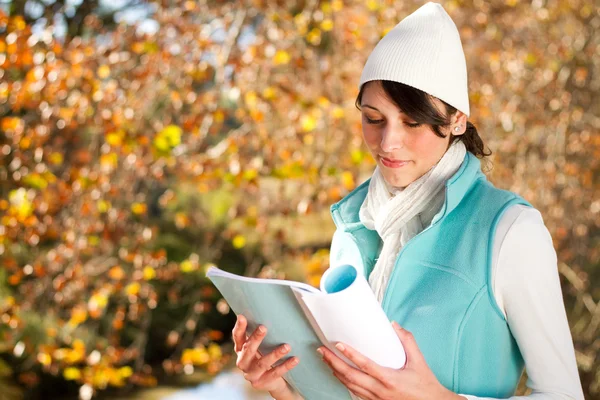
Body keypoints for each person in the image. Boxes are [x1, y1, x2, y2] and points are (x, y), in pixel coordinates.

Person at [231, 2, 585, 399]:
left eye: (412, 122)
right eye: (373, 118)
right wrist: (284, 386)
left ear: (456, 121)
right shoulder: (351, 227)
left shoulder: (510, 231)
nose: (388, 142)